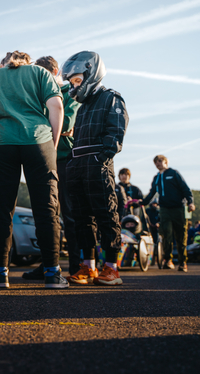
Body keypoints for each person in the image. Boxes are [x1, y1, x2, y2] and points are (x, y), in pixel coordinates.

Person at [0, 51, 66, 289]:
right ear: (28, 62)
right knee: (46, 207)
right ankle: (52, 273)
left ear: (4, 63)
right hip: (39, 141)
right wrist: (51, 144)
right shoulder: (40, 72)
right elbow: (56, 105)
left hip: (3, 143)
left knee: (1, 209)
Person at [62, 51, 129, 286]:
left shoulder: (111, 98)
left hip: (97, 165)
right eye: (72, 83)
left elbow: (116, 132)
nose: (74, 86)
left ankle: (111, 267)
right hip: (77, 165)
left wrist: (102, 158)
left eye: (77, 81)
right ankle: (87, 266)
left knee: (106, 215)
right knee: (82, 218)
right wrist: (72, 162)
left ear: (92, 73)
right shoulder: (84, 106)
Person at [22, 56, 81, 280]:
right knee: (45, 213)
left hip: (66, 160)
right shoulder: (37, 96)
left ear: (54, 72)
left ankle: (76, 267)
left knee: (70, 214)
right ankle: (48, 263)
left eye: (42, 74)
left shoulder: (70, 95)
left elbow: (66, 124)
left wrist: (45, 121)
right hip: (42, 158)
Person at [140, 155, 195, 272]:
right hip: (164, 209)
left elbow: (185, 189)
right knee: (166, 235)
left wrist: (190, 202)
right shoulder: (157, 178)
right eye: (156, 162)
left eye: (160, 161)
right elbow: (151, 193)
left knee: (181, 236)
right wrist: (142, 202)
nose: (158, 164)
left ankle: (182, 262)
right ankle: (168, 260)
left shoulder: (174, 173)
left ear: (166, 162)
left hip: (178, 209)